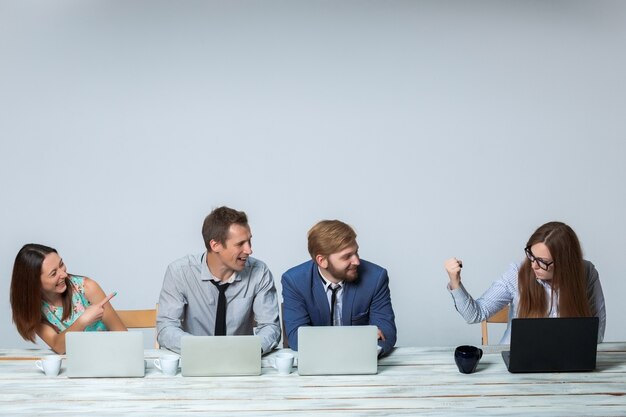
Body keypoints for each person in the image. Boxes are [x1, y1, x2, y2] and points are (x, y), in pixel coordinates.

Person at [444, 221, 606, 344]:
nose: (533, 265)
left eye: (542, 261)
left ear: (565, 263)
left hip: (567, 366)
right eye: (531, 255)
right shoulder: (517, 273)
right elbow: (475, 314)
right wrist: (455, 282)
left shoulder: (586, 272)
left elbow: (597, 332)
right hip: (517, 362)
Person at [157, 206, 281, 354]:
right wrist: (203, 350)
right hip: (196, 358)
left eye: (249, 241)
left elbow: (270, 327)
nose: (249, 250)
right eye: (240, 244)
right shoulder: (180, 272)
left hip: (242, 360)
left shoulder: (259, 273)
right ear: (215, 245)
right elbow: (166, 328)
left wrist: (249, 351)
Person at [281, 220, 397, 356]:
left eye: (356, 252)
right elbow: (297, 338)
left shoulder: (376, 278)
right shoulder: (294, 281)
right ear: (322, 261)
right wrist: (359, 338)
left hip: (362, 361)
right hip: (317, 364)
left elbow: (386, 333)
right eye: (347, 256)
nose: (356, 261)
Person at [10, 243, 127, 354]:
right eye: (53, 273)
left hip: (109, 355)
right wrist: (83, 320)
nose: (64, 274)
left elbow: (124, 337)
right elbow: (58, 346)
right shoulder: (34, 308)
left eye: (61, 264)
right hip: (74, 363)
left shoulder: (87, 287)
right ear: (34, 283)